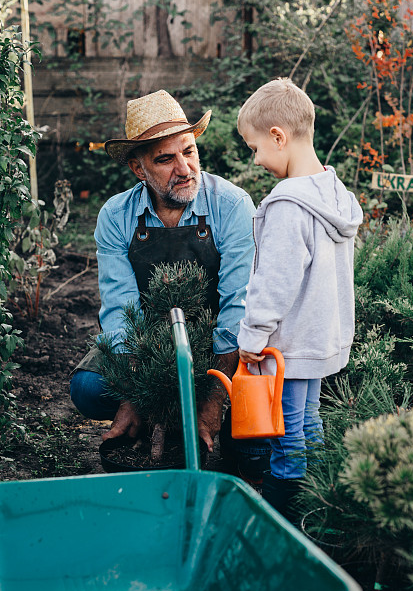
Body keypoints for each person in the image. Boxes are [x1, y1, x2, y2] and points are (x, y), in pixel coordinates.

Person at [70, 89, 269, 476]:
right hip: (150, 348)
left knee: (249, 418)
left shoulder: (231, 205)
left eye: (189, 151)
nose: (184, 168)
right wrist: (135, 395)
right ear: (138, 169)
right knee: (88, 389)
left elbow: (238, 309)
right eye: (165, 159)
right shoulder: (116, 217)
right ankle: (155, 417)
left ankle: (211, 418)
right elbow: (120, 312)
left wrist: (214, 399)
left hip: (219, 349)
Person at [236, 78, 363, 515]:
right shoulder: (334, 194)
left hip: (287, 347)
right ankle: (323, 510)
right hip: (320, 338)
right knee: (309, 425)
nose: (256, 160)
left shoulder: (288, 205)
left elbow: (274, 280)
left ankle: (282, 520)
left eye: (255, 148)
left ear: (278, 136)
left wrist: (252, 337)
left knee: (287, 440)